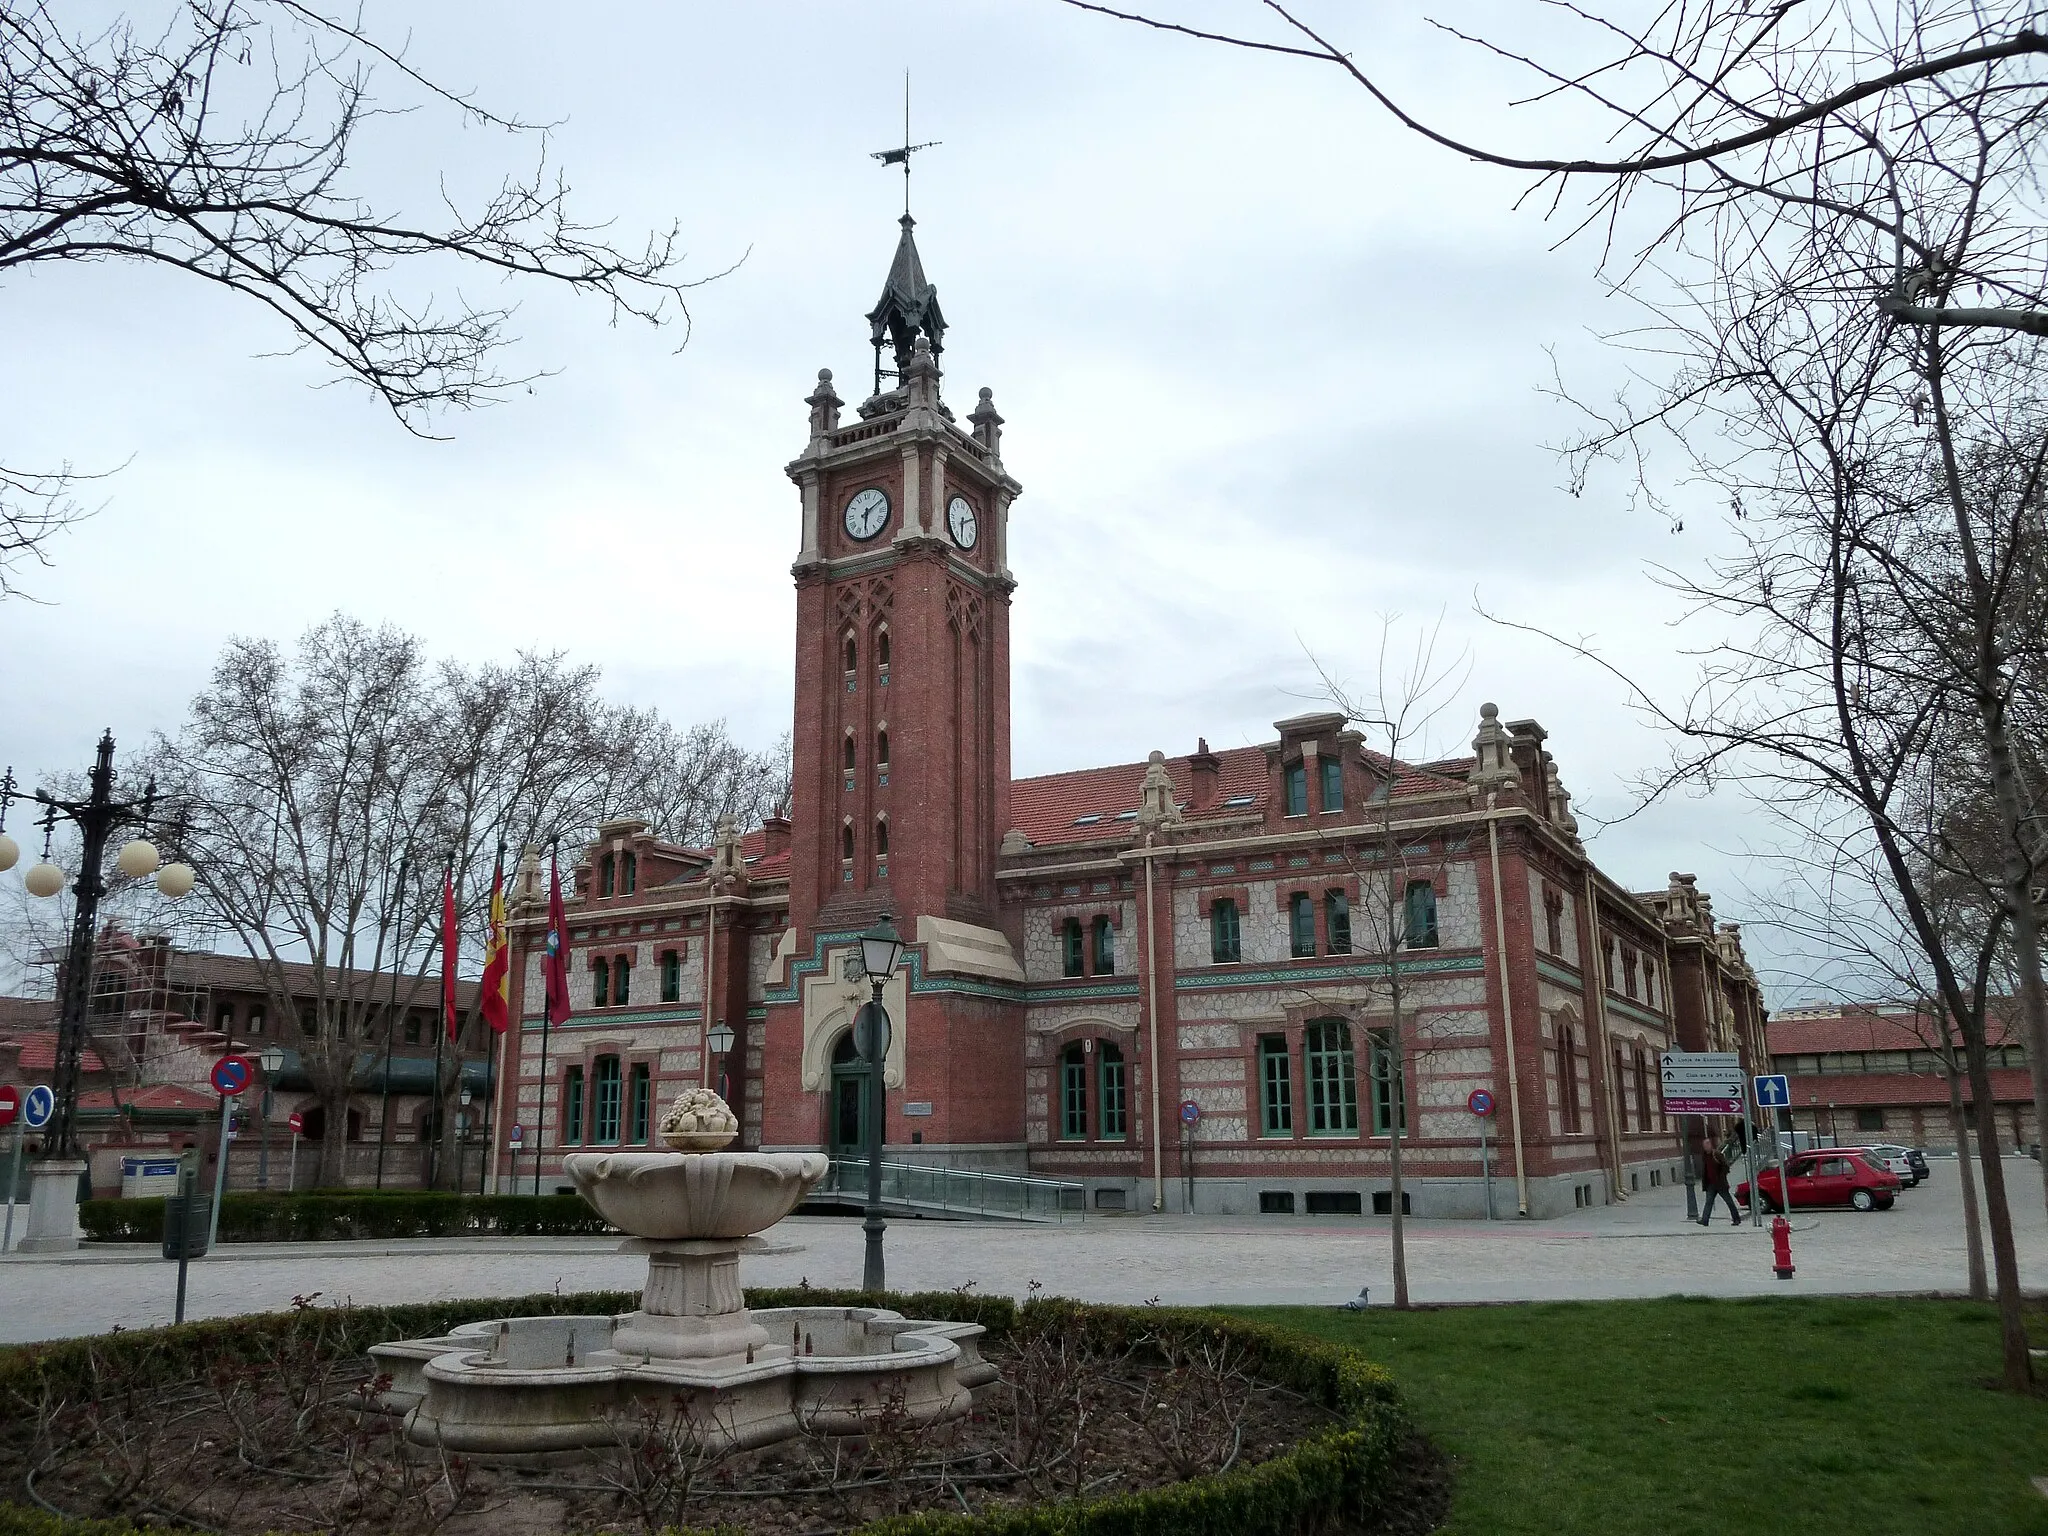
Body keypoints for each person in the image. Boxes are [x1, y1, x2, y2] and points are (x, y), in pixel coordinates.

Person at [1698, 1145, 1742, 1226]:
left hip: (1720, 1184)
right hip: (1710, 1184)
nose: (1706, 1147)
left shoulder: (1716, 1154)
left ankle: (1736, 1219)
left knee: (1729, 1202)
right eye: (1705, 1145)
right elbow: (1705, 1170)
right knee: (1708, 1202)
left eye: (1707, 1145)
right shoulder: (1705, 1156)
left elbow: (1725, 1166)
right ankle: (1705, 1220)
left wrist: (1721, 1176)